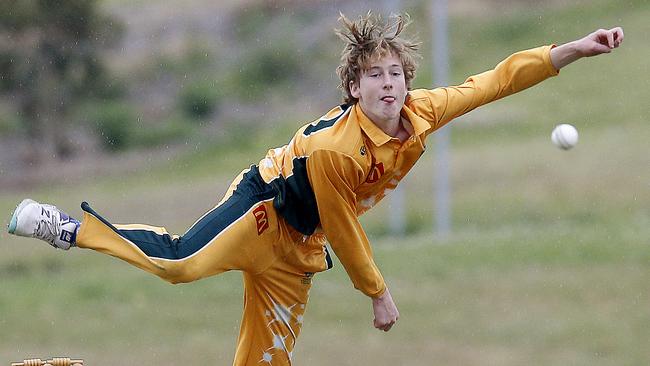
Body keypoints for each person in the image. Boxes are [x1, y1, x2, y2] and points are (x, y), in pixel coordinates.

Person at [7, 12, 623, 366]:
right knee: (179, 265)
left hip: (298, 251)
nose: (389, 85)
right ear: (354, 88)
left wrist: (574, 49)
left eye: (396, 75)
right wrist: (376, 293)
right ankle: (69, 228)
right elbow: (343, 222)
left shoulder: (423, 112)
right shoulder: (337, 149)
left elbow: (497, 80)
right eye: (374, 76)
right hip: (265, 209)